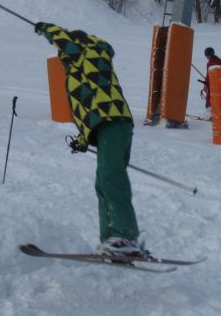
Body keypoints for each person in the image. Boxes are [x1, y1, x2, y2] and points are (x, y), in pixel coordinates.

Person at [34, 21, 146, 257]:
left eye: (63, 53)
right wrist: (84, 139)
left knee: (111, 178)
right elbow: (91, 108)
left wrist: (46, 28)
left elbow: (67, 43)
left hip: (113, 124)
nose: (63, 57)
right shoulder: (84, 67)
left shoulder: (87, 54)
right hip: (109, 126)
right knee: (103, 183)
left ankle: (124, 236)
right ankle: (111, 241)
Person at [202, 47, 221, 117]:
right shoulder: (217, 61)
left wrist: (207, 83)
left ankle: (211, 113)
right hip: (214, 82)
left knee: (210, 97)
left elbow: (211, 74)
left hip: (214, 83)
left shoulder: (214, 62)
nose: (206, 57)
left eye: (207, 55)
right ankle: (213, 112)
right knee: (213, 97)